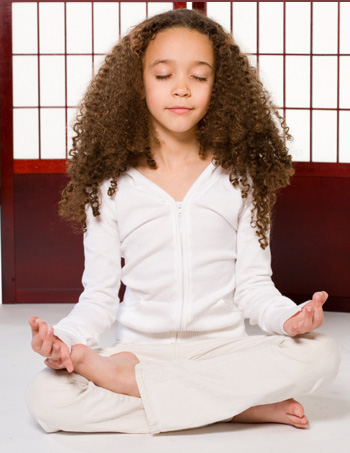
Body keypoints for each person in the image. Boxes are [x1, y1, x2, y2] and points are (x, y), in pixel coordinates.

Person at [26, 8, 340, 435]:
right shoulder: (109, 185)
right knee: (49, 400)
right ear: (137, 82)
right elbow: (98, 298)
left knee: (322, 353)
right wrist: (63, 340)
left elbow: (254, 287)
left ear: (219, 87)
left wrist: (290, 318)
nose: (181, 89)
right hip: (139, 352)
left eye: (199, 76)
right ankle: (233, 405)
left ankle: (149, 392)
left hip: (224, 352)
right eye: (162, 75)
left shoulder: (242, 178)